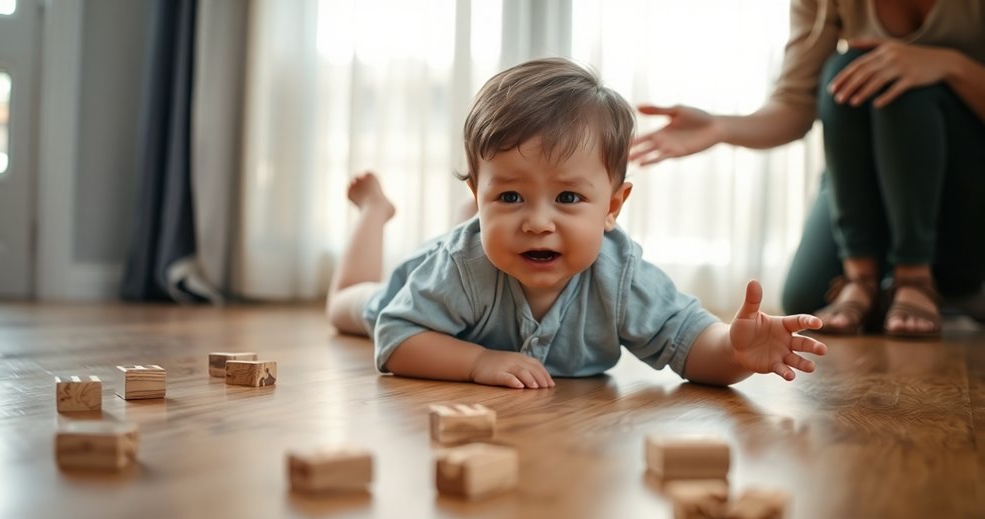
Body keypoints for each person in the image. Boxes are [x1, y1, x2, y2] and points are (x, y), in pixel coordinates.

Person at [325, 57, 826, 389]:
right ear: (479, 194)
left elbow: (688, 344)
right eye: (510, 195)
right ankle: (376, 211)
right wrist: (477, 363)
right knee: (348, 305)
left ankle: (482, 209)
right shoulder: (460, 267)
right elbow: (395, 335)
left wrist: (734, 352)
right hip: (432, 276)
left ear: (613, 206)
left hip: (486, 234)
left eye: (567, 197)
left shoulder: (620, 274)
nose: (539, 223)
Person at [629, 0, 985, 338]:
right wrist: (720, 128)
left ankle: (915, 276)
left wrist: (949, 65)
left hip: (965, 168)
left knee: (902, 84)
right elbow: (794, 105)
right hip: (865, 168)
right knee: (807, 298)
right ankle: (862, 277)